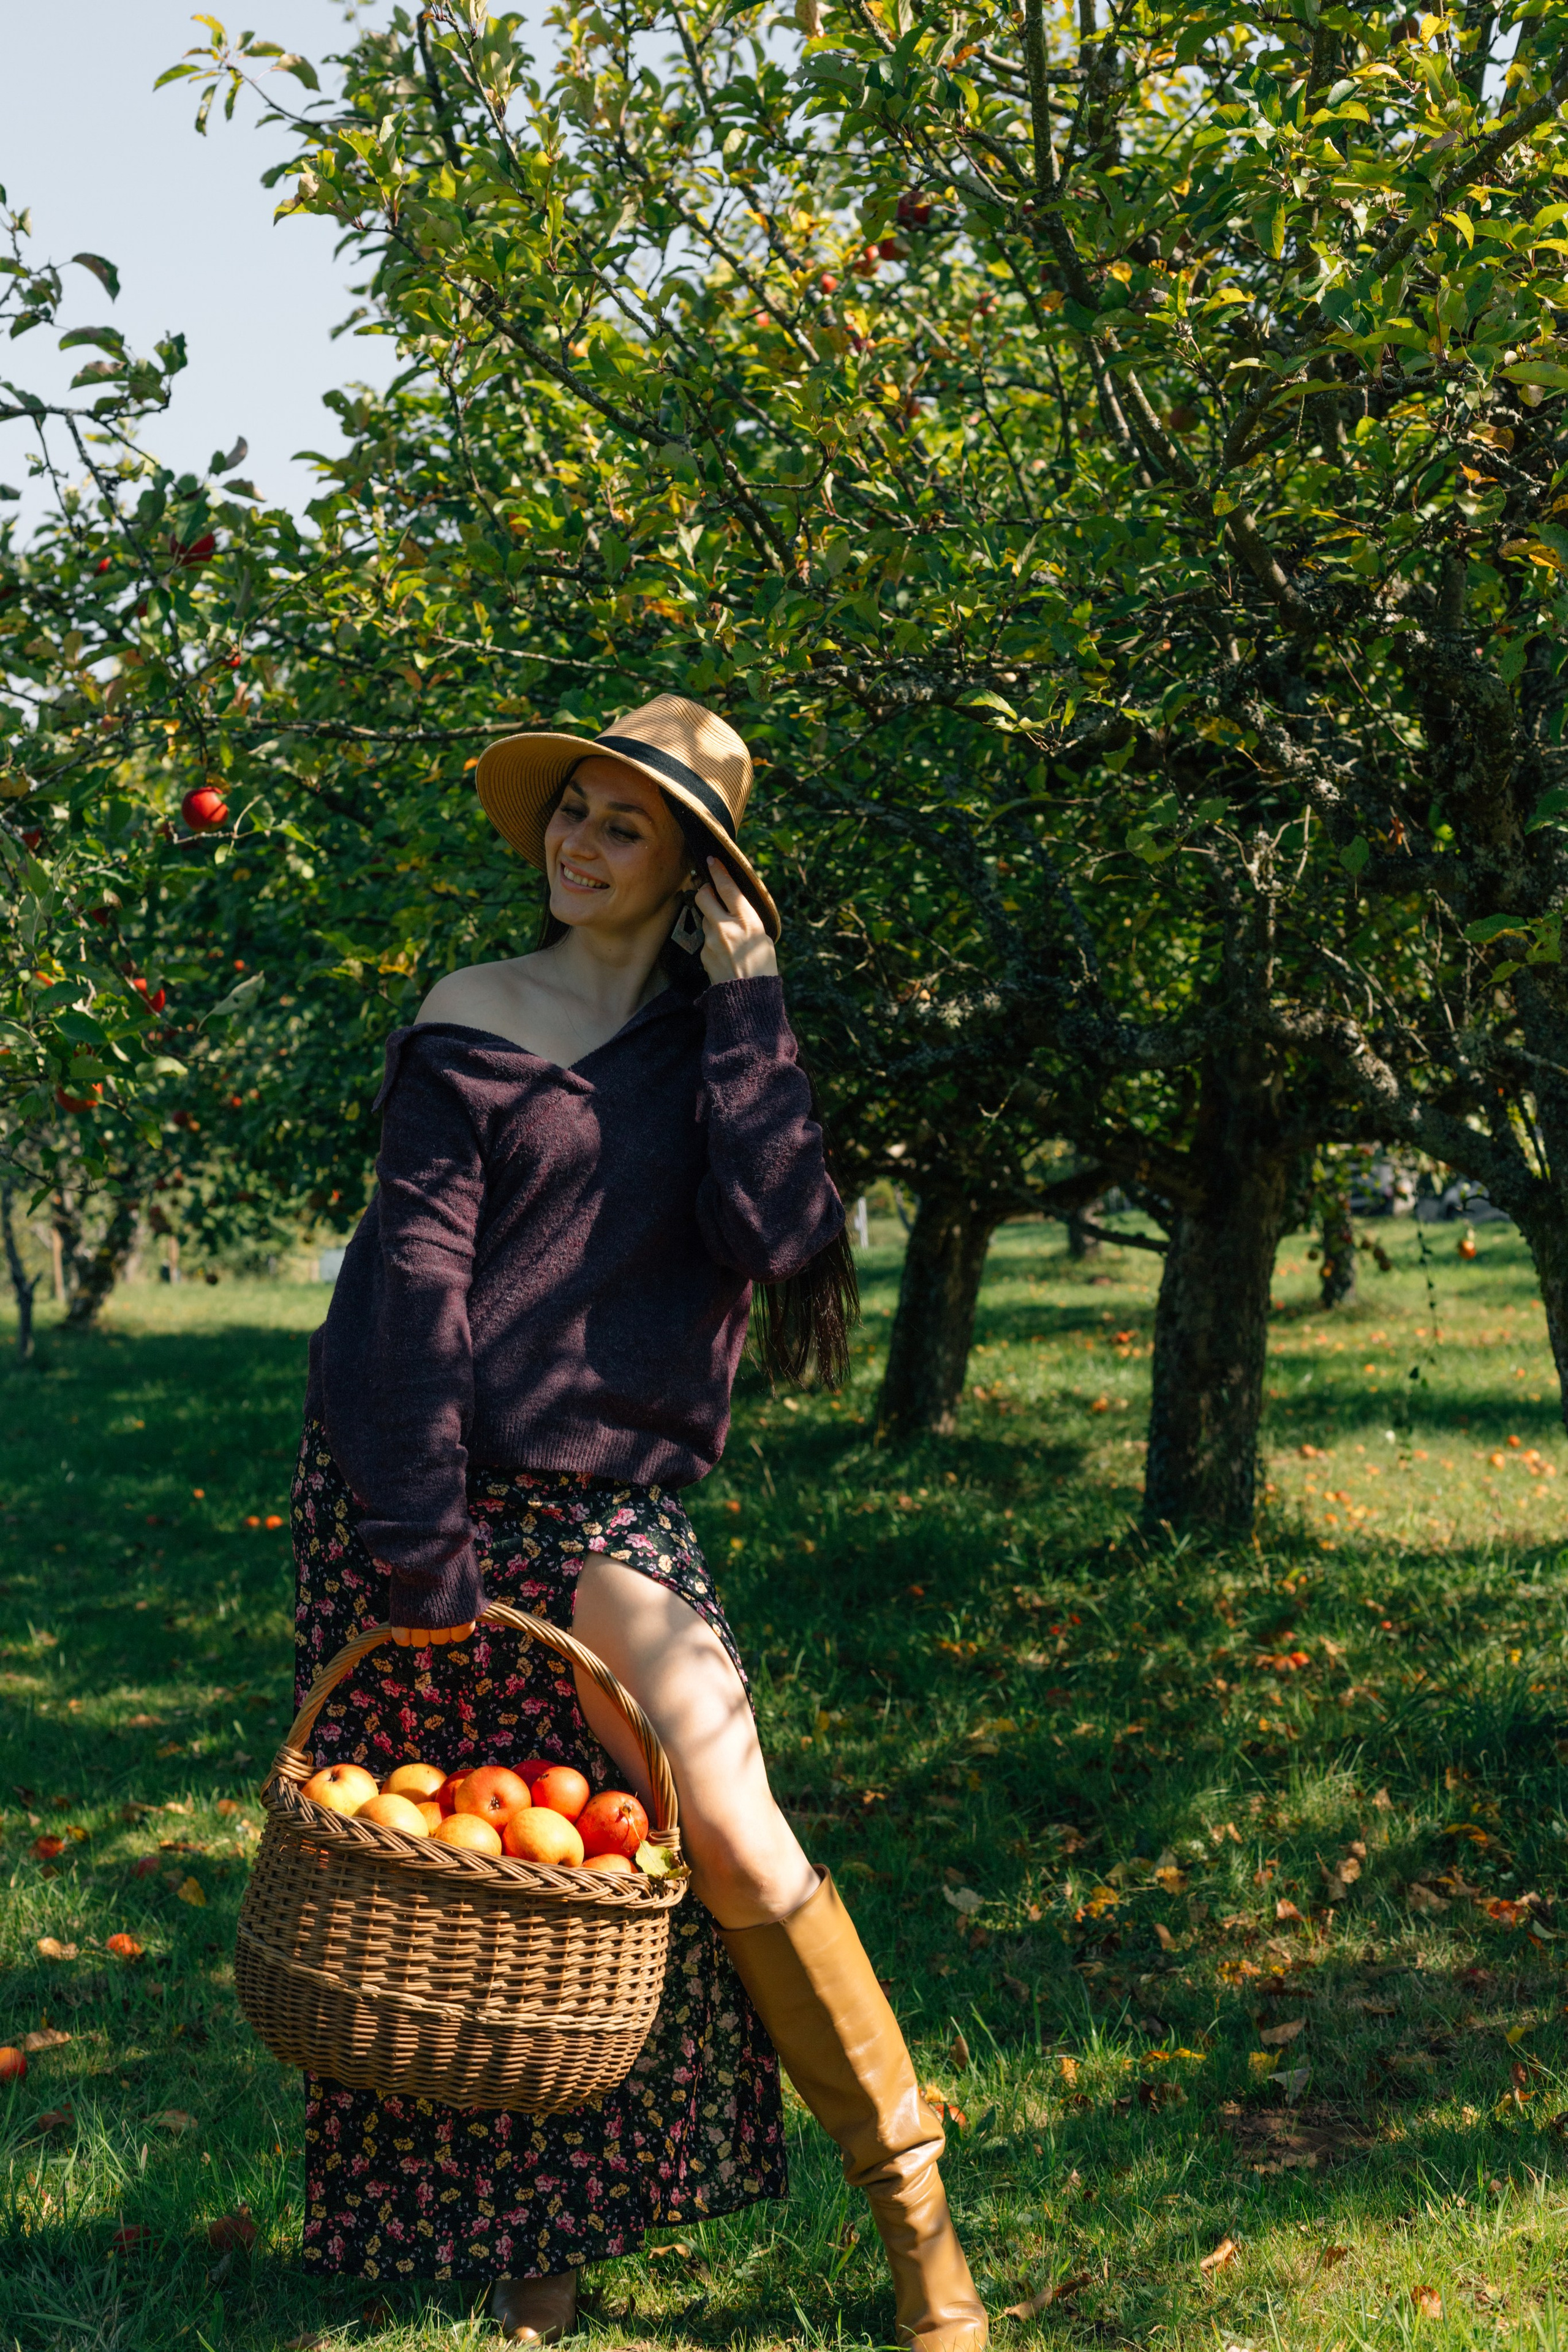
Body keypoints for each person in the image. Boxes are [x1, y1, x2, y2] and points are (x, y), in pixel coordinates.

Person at [291, 693, 987, 2351]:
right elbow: (413, 1289)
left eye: (626, 827)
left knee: (721, 1825)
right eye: (573, 812)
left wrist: (751, 1008)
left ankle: (920, 2227)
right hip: (424, 1477)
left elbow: (775, 1226)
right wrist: (421, 1551)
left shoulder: (712, 1039)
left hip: (607, 1499)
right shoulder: (472, 1011)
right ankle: (535, 2274)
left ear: (696, 872)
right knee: (487, 1877)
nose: (579, 847)